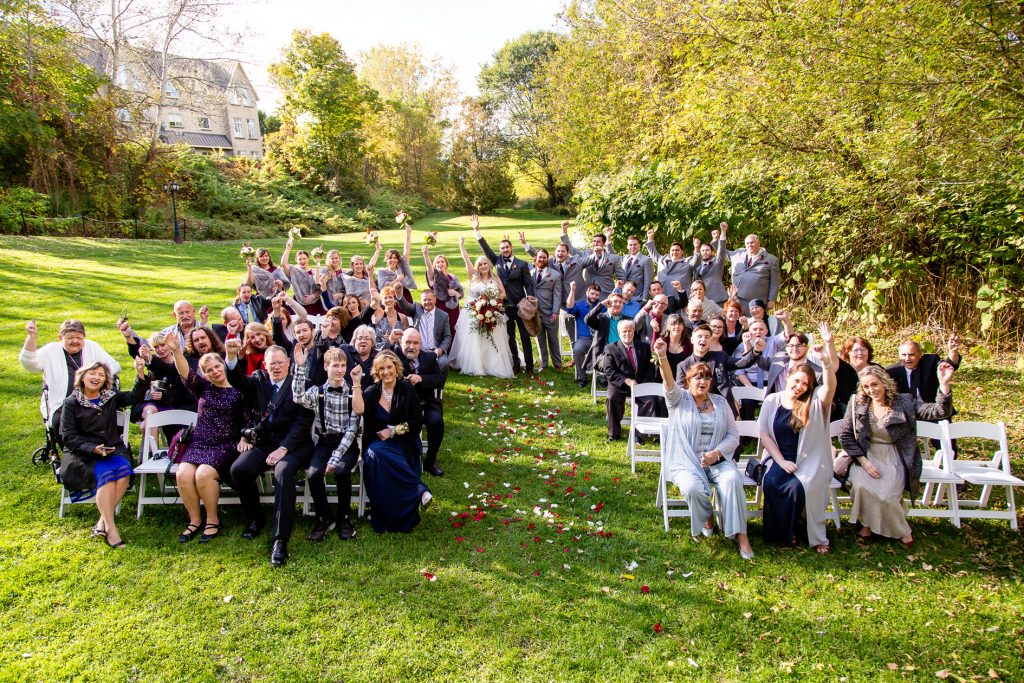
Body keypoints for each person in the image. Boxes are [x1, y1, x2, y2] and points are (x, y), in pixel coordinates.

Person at [653, 339, 754, 558]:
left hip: (717, 461)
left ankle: (740, 534)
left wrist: (716, 453)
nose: (703, 381)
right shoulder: (679, 399)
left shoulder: (719, 401)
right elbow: (669, 382)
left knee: (732, 480)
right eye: (698, 377)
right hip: (686, 463)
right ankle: (708, 515)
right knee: (692, 489)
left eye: (707, 377)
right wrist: (662, 356)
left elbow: (733, 434)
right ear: (688, 381)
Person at [839, 364, 954, 547]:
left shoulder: (904, 401)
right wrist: (863, 461)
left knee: (887, 494)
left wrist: (944, 384)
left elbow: (940, 411)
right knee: (861, 486)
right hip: (865, 455)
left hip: (895, 455)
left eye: (874, 384)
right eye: (866, 386)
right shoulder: (857, 403)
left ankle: (901, 529)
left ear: (884, 382)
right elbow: (845, 435)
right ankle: (867, 526)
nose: (871, 390)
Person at [225, 343, 315, 567]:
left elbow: (303, 423)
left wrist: (283, 449)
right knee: (239, 470)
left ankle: (280, 539)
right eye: (271, 363)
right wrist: (230, 355)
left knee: (283, 473)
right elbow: (236, 379)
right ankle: (256, 517)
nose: (276, 367)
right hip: (264, 444)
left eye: (280, 363)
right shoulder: (258, 381)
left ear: (288, 364)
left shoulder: (300, 384)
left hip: (293, 445)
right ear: (265, 365)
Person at [758, 323, 838, 553]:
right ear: (789, 378)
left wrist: (826, 361)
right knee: (772, 482)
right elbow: (765, 433)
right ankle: (780, 533)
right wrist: (781, 461)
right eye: (797, 381)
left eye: (805, 384)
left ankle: (803, 530)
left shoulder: (814, 402)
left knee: (797, 486)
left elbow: (830, 387)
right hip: (779, 457)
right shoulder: (772, 400)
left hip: (809, 460)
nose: (800, 386)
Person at [59, 356, 150, 548]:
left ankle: (101, 523)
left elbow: (135, 397)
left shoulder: (109, 397)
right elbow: (68, 436)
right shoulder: (71, 402)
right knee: (107, 476)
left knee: (124, 472)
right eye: (92, 373)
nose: (97, 377)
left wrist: (140, 373)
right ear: (82, 377)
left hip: (111, 449)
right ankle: (111, 529)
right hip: (82, 453)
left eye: (101, 375)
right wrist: (92, 449)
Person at [164, 333, 245, 544]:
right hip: (199, 442)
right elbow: (185, 372)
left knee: (203, 474)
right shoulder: (203, 387)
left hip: (226, 444)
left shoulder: (239, 390)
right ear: (205, 374)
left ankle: (212, 519)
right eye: (209, 370)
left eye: (217, 367)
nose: (215, 372)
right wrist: (175, 350)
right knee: (183, 474)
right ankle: (194, 519)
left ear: (223, 365)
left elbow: (247, 419)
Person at [291, 345, 364, 542]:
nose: (340, 370)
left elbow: (352, 430)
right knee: (313, 474)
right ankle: (324, 517)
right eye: (335, 365)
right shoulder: (317, 392)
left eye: (343, 365)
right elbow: (297, 397)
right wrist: (300, 368)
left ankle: (344, 517)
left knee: (341, 472)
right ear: (325, 367)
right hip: (324, 442)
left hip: (347, 444)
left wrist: (336, 457)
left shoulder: (353, 393)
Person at [356, 350, 431, 533]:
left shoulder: (407, 391)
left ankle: (405, 513)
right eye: (381, 368)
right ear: (377, 371)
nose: (386, 372)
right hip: (376, 442)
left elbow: (416, 422)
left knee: (380, 455)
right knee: (376, 453)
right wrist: (356, 384)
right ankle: (418, 488)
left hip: (404, 443)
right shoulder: (372, 392)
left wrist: (393, 431)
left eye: (389, 367)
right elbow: (359, 410)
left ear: (396, 368)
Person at [21, 319, 122, 441]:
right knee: (60, 422)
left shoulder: (92, 346)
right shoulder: (51, 351)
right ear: (60, 337)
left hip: (94, 399)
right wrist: (32, 337)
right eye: (70, 338)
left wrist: (97, 377)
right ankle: (73, 452)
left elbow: (114, 365)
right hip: (62, 403)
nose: (75, 341)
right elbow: (29, 364)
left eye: (79, 338)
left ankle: (110, 447)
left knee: (111, 414)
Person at [473, 215, 535, 373]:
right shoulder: (497, 261)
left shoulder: (521, 264)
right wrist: (477, 231)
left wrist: (531, 295)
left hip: (520, 305)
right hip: (504, 307)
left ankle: (529, 365)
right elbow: (485, 249)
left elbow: (528, 282)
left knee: (524, 336)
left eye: (507, 247)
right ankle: (515, 364)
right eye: (502, 248)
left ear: (511, 247)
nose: (504, 250)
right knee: (510, 337)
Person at [453, 234, 516, 378]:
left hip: (493, 312)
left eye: (485, 263)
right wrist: (461, 246)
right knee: (477, 340)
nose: (483, 266)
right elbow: (466, 260)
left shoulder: (495, 278)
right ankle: (478, 365)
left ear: (489, 265)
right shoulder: (474, 278)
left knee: (493, 339)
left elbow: (503, 294)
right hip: (475, 313)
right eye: (480, 264)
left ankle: (493, 365)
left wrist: (493, 304)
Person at [524, 225, 586, 351]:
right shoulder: (551, 262)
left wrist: (564, 232)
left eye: (563, 251)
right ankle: (575, 352)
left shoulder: (575, 261)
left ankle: (582, 352)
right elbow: (538, 256)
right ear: (554, 253)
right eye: (558, 251)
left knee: (581, 328)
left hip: (577, 300)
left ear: (567, 253)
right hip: (560, 303)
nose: (560, 253)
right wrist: (525, 244)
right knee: (569, 330)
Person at [394, 329, 447, 476]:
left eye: (415, 343)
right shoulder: (394, 356)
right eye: (408, 342)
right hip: (403, 407)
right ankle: (404, 458)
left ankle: (430, 460)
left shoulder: (429, 358)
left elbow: (439, 380)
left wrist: (422, 378)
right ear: (400, 342)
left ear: (420, 344)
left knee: (437, 422)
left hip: (426, 404)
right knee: (399, 424)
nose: (411, 346)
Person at [676, 323, 763, 411]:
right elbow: (681, 392)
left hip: (723, 408)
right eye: (700, 336)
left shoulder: (721, 357)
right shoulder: (683, 365)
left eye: (707, 337)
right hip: (695, 409)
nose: (703, 339)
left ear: (710, 340)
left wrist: (756, 351)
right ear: (692, 340)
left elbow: (742, 363)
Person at [599, 320, 655, 442]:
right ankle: (613, 433)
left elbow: (650, 368)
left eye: (630, 331)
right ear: (619, 333)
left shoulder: (644, 347)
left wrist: (643, 383)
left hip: (640, 383)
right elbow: (609, 371)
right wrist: (626, 380)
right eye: (624, 331)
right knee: (612, 398)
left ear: (634, 332)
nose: (627, 334)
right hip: (619, 384)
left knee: (650, 400)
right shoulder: (610, 348)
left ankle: (639, 434)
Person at [885, 336, 961, 403]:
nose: (907, 358)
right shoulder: (892, 371)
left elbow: (949, 366)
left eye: (911, 355)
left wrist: (953, 351)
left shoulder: (931, 362)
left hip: (932, 409)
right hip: (906, 413)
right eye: (904, 355)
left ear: (920, 354)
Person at [395, 289, 453, 373]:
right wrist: (399, 294)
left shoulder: (443, 315)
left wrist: (441, 349)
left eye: (429, 299)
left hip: (436, 350)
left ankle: (439, 385)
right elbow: (405, 306)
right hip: (418, 349)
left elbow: (447, 336)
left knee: (443, 363)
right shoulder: (416, 309)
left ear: (435, 299)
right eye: (424, 300)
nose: (427, 302)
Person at [561, 225, 622, 296]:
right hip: (588, 293)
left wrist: (618, 293)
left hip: (606, 293)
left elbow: (621, 277)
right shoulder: (585, 254)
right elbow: (570, 249)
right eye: (594, 241)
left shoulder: (612, 257)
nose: (595, 244)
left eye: (598, 242)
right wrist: (564, 231)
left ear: (604, 243)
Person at [530, 248, 564, 371]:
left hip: (550, 313)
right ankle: (543, 363)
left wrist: (555, 312)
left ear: (547, 259)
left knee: (553, 340)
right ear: (535, 258)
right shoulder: (530, 273)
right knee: (540, 339)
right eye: (539, 257)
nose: (542, 259)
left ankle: (558, 364)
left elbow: (557, 295)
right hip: (535, 313)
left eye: (544, 257)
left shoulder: (555, 275)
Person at [729, 234, 781, 314]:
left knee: (757, 325)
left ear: (758, 243)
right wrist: (721, 235)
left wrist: (772, 300)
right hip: (738, 301)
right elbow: (721, 253)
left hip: (757, 303)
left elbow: (775, 282)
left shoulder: (771, 260)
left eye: (752, 242)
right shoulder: (738, 255)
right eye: (747, 243)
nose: (750, 245)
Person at [422, 244, 464, 339]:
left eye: (442, 262)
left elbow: (460, 294)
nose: (440, 264)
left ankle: (453, 352)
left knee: (454, 329)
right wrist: (426, 255)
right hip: (440, 307)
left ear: (446, 264)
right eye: (437, 262)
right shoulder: (434, 277)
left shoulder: (453, 276)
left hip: (453, 307)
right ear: (435, 265)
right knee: (442, 330)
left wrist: (455, 293)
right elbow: (429, 268)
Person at [565, 282, 601, 387]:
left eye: (597, 295)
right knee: (577, 349)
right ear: (587, 293)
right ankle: (582, 377)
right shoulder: (580, 305)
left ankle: (603, 377)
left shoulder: (602, 306)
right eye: (592, 293)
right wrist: (572, 290)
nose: (594, 296)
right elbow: (569, 308)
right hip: (585, 338)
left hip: (598, 338)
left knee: (607, 349)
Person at [834, 336, 879, 420]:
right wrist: (829, 342)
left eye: (863, 349)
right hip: (847, 413)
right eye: (855, 350)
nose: (860, 353)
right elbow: (832, 358)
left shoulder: (877, 369)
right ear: (848, 353)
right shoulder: (842, 368)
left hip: (875, 411)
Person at [281, 239, 328, 316]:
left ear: (308, 259)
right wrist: (288, 248)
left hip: (315, 304)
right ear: (296, 260)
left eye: (304, 258)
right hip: (299, 303)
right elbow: (283, 264)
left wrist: (313, 296)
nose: (302, 261)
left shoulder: (314, 271)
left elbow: (320, 288)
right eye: (300, 259)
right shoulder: (293, 271)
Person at [375, 223, 418, 302]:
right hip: (389, 297)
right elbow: (383, 288)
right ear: (386, 259)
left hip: (404, 296)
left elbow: (407, 250)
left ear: (398, 259)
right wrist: (397, 279)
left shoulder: (401, 267)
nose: (393, 260)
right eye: (390, 258)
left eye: (395, 258)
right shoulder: (382, 272)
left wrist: (408, 234)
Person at [645, 227, 693, 295]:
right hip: (662, 296)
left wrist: (696, 249)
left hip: (679, 298)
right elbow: (653, 252)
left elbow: (696, 260)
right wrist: (650, 238)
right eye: (672, 250)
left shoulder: (687, 262)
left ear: (682, 252)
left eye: (677, 250)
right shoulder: (662, 259)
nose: (674, 252)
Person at [691, 223, 729, 304]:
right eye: (703, 251)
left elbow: (721, 250)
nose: (705, 252)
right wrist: (696, 248)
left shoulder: (717, 263)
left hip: (719, 300)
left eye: (707, 250)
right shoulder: (698, 267)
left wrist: (723, 232)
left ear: (712, 252)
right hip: (703, 301)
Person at [371, 284, 409, 350]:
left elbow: (406, 337)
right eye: (385, 298)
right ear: (382, 301)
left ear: (395, 300)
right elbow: (373, 294)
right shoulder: (379, 314)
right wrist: (370, 275)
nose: (388, 300)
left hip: (398, 351)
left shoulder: (403, 317)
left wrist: (395, 338)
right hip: (381, 351)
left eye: (390, 297)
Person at [621, 234, 654, 301]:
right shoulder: (624, 258)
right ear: (627, 246)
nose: (632, 246)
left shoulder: (646, 260)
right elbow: (612, 256)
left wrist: (645, 299)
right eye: (630, 245)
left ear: (639, 246)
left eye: (635, 244)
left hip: (638, 298)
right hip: (623, 297)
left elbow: (648, 281)